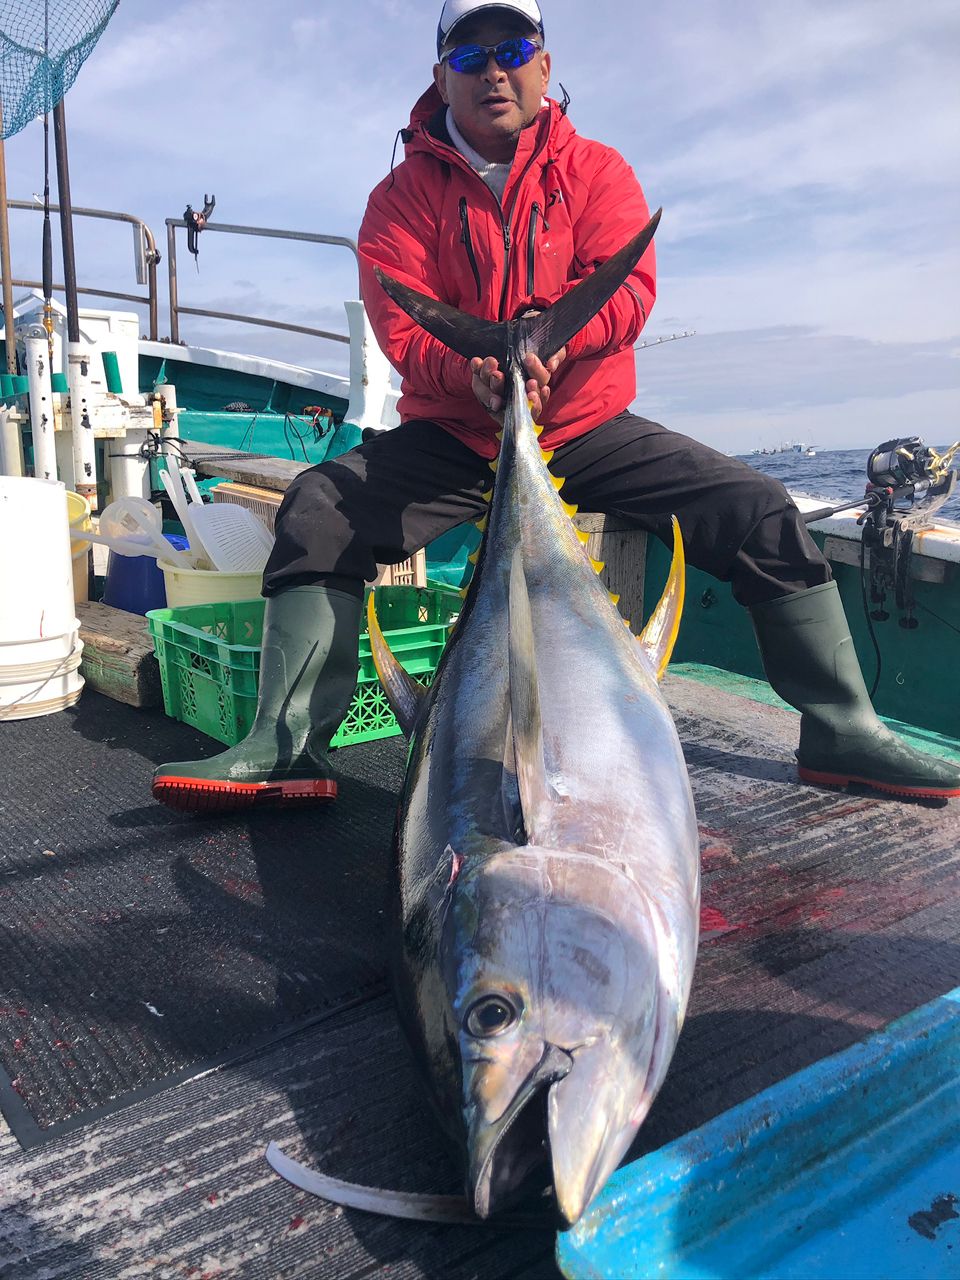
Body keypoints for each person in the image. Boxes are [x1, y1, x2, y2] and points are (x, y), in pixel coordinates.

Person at [152, 0, 959, 811]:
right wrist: (471, 371)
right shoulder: (399, 199)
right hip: (457, 434)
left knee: (754, 508)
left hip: (583, 426)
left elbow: (628, 289)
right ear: (441, 78)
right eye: (470, 56)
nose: (493, 69)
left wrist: (557, 347)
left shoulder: (597, 171)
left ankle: (841, 728)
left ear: (544, 63)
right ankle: (288, 747)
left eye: (513, 47)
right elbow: (402, 324)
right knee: (320, 508)